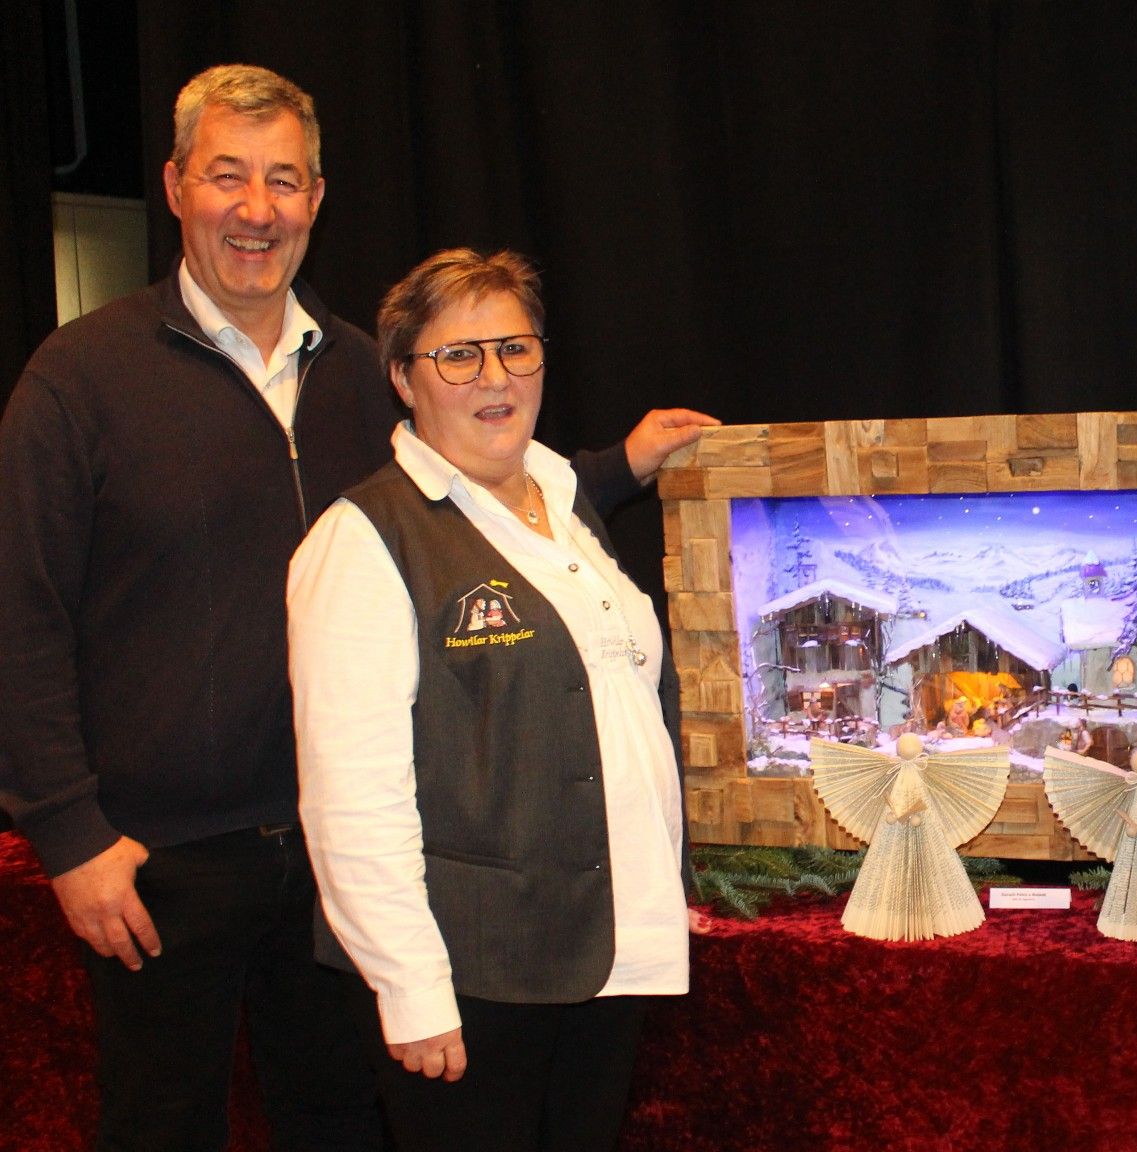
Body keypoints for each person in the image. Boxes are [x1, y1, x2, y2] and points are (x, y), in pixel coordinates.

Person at [0, 64, 712, 1150]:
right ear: (176, 184)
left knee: (340, 1125)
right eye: (228, 176)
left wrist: (619, 466)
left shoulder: (361, 372)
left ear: (318, 198)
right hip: (163, 859)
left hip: (354, 856)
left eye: (284, 180)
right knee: (161, 1127)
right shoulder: (80, 377)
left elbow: (486, 492)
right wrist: (67, 830)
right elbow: (21, 612)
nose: (257, 208)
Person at [288, 248, 699, 1151]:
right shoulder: (361, 542)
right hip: (474, 981)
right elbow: (352, 797)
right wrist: (410, 988)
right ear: (404, 378)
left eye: (515, 348)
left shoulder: (563, 501)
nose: (494, 377)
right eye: (458, 355)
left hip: (606, 956)